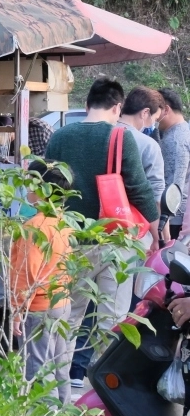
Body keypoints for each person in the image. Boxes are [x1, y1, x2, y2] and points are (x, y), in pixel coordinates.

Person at [45, 78, 159, 387]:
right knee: (110, 320)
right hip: (114, 242)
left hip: (70, 241)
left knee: (68, 317)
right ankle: (100, 391)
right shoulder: (121, 136)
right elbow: (139, 189)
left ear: (87, 105)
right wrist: (156, 229)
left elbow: (44, 185)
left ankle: (57, 388)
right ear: (118, 107)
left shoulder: (60, 136)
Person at [11, 162, 74, 404]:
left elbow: (26, 274)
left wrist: (17, 310)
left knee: (38, 372)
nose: (27, 188)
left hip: (37, 308)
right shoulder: (63, 222)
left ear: (42, 189)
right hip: (61, 302)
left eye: (31, 183)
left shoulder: (34, 227)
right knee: (59, 367)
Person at [116, 87, 166, 211]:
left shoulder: (103, 133)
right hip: (135, 218)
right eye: (155, 119)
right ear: (145, 113)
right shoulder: (148, 145)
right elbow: (156, 191)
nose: (153, 124)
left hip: (97, 218)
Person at [159, 88, 190, 241]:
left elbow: (174, 185)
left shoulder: (176, 140)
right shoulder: (184, 129)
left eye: (156, 110)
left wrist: (164, 218)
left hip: (173, 218)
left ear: (166, 110)